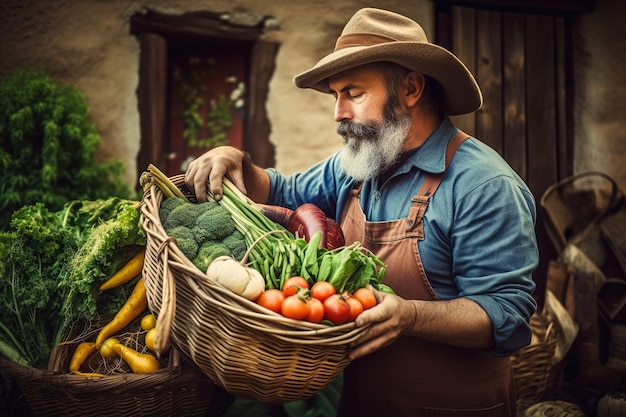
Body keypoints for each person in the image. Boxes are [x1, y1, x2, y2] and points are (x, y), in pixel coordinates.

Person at [185, 7, 538, 417]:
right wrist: (236, 160)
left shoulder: (484, 185)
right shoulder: (359, 165)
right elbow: (284, 192)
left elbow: (507, 314)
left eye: (353, 93)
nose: (338, 113)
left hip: (453, 407)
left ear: (410, 88)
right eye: (336, 95)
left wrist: (410, 315)